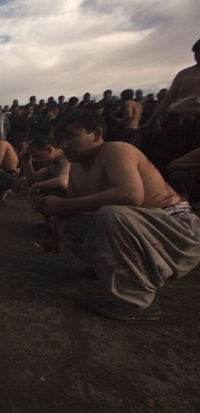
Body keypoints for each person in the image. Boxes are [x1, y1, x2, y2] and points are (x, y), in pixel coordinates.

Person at [33, 109, 200, 321]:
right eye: (60, 140)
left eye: (71, 136)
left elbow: (131, 195)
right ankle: (107, 268)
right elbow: (71, 209)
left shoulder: (116, 150)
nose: (64, 145)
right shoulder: (76, 167)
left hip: (178, 231)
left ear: (96, 134)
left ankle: (136, 300)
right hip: (139, 228)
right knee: (67, 220)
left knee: (111, 215)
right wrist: (53, 217)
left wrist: (63, 205)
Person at [144, 39, 200, 174]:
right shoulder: (184, 74)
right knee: (163, 158)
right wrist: (149, 123)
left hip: (197, 125)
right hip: (176, 121)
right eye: (197, 53)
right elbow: (166, 101)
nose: (198, 56)